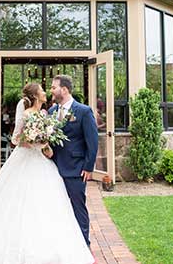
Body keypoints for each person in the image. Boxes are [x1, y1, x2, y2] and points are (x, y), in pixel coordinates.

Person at [0, 83, 94, 264]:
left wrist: (45, 145)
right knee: (22, 201)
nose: (47, 92)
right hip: (26, 161)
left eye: (50, 88)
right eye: (43, 90)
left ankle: (75, 244)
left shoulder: (47, 113)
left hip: (46, 163)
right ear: (35, 95)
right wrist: (33, 141)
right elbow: (16, 139)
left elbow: (54, 141)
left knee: (51, 204)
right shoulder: (28, 114)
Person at [48, 75, 99, 250]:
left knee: (78, 206)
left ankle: (84, 245)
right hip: (52, 167)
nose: (51, 91)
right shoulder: (51, 112)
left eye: (54, 87)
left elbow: (92, 141)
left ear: (64, 89)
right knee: (57, 206)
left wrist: (88, 167)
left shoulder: (83, 111)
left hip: (76, 168)